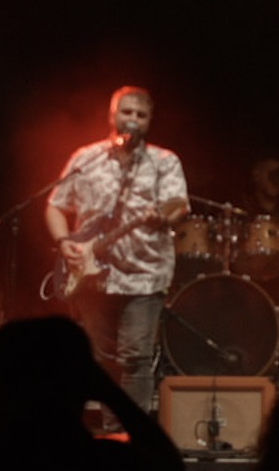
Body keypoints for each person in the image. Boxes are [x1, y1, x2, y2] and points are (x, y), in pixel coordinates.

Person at [43, 86, 189, 415]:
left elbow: (178, 206)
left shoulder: (164, 162)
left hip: (145, 274)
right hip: (92, 275)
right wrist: (66, 244)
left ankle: (128, 433)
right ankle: (105, 430)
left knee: (135, 356)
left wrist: (162, 215)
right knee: (97, 354)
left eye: (141, 115)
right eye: (127, 113)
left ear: (150, 121)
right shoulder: (86, 158)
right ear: (112, 116)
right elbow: (55, 206)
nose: (133, 120)